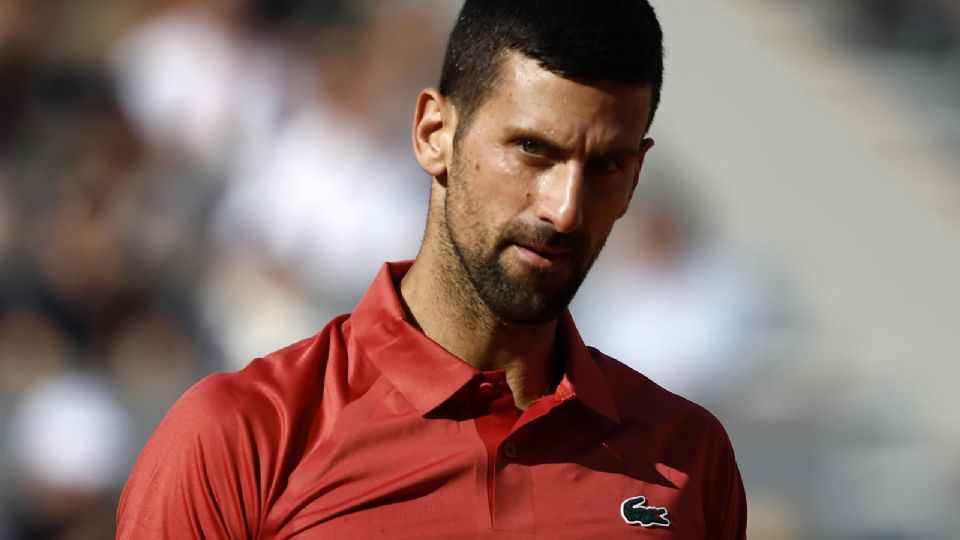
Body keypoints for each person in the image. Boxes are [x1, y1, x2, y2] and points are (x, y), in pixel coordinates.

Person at [117, 1, 748, 538]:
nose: (564, 209)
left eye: (606, 166)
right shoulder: (243, 438)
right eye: (532, 150)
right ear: (432, 133)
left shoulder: (688, 459)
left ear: (636, 177)